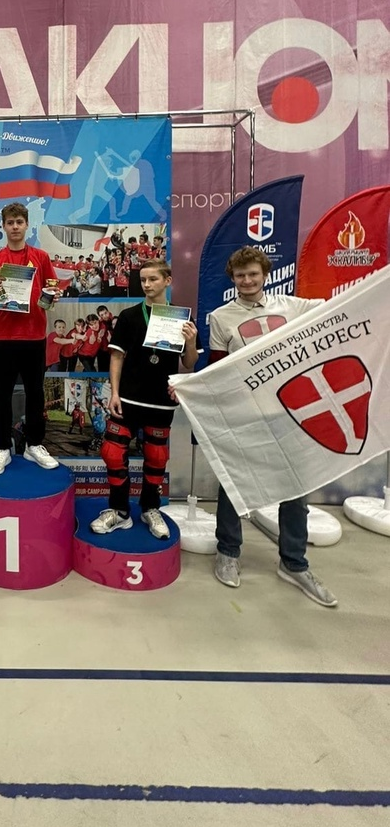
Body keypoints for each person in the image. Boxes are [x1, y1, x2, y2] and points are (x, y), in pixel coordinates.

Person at [208, 247, 336, 607]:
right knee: (233, 485)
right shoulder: (220, 317)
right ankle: (228, 552)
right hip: (245, 414)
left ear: (265, 275)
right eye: (240, 276)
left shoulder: (293, 306)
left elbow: (338, 309)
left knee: (295, 489)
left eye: (253, 274)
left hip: (290, 412)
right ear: (232, 278)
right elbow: (217, 369)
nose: (247, 281)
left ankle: (294, 563)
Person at [90, 259, 199, 539]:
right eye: (143, 280)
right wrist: (114, 393)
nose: (147, 285)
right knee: (112, 453)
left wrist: (190, 342)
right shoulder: (128, 316)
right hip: (128, 398)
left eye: (153, 279)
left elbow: (189, 363)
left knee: (157, 457)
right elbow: (116, 356)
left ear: (167, 281)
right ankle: (119, 512)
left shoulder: (182, 318)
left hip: (161, 401)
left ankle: (151, 508)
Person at [0, 203, 61, 474]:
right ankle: (1, 448)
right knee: (2, 395)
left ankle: (33, 445)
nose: (15, 227)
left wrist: (52, 297)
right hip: (5, 336)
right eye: (10, 222)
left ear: (27, 225)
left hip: (34, 336)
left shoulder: (41, 257)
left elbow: (49, 295)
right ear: (3, 226)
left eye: (19, 222)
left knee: (35, 393)